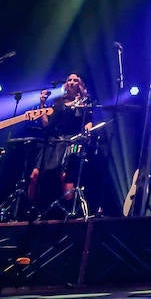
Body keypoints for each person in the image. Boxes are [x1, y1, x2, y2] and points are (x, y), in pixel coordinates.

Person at [28, 72, 93, 218]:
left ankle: (69, 210)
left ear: (80, 84)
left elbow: (88, 121)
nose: (71, 82)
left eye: (75, 80)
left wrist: (88, 132)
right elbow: (46, 125)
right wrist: (42, 105)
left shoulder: (85, 103)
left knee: (66, 176)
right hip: (53, 141)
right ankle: (30, 208)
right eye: (69, 80)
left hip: (71, 141)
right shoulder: (58, 102)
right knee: (34, 175)